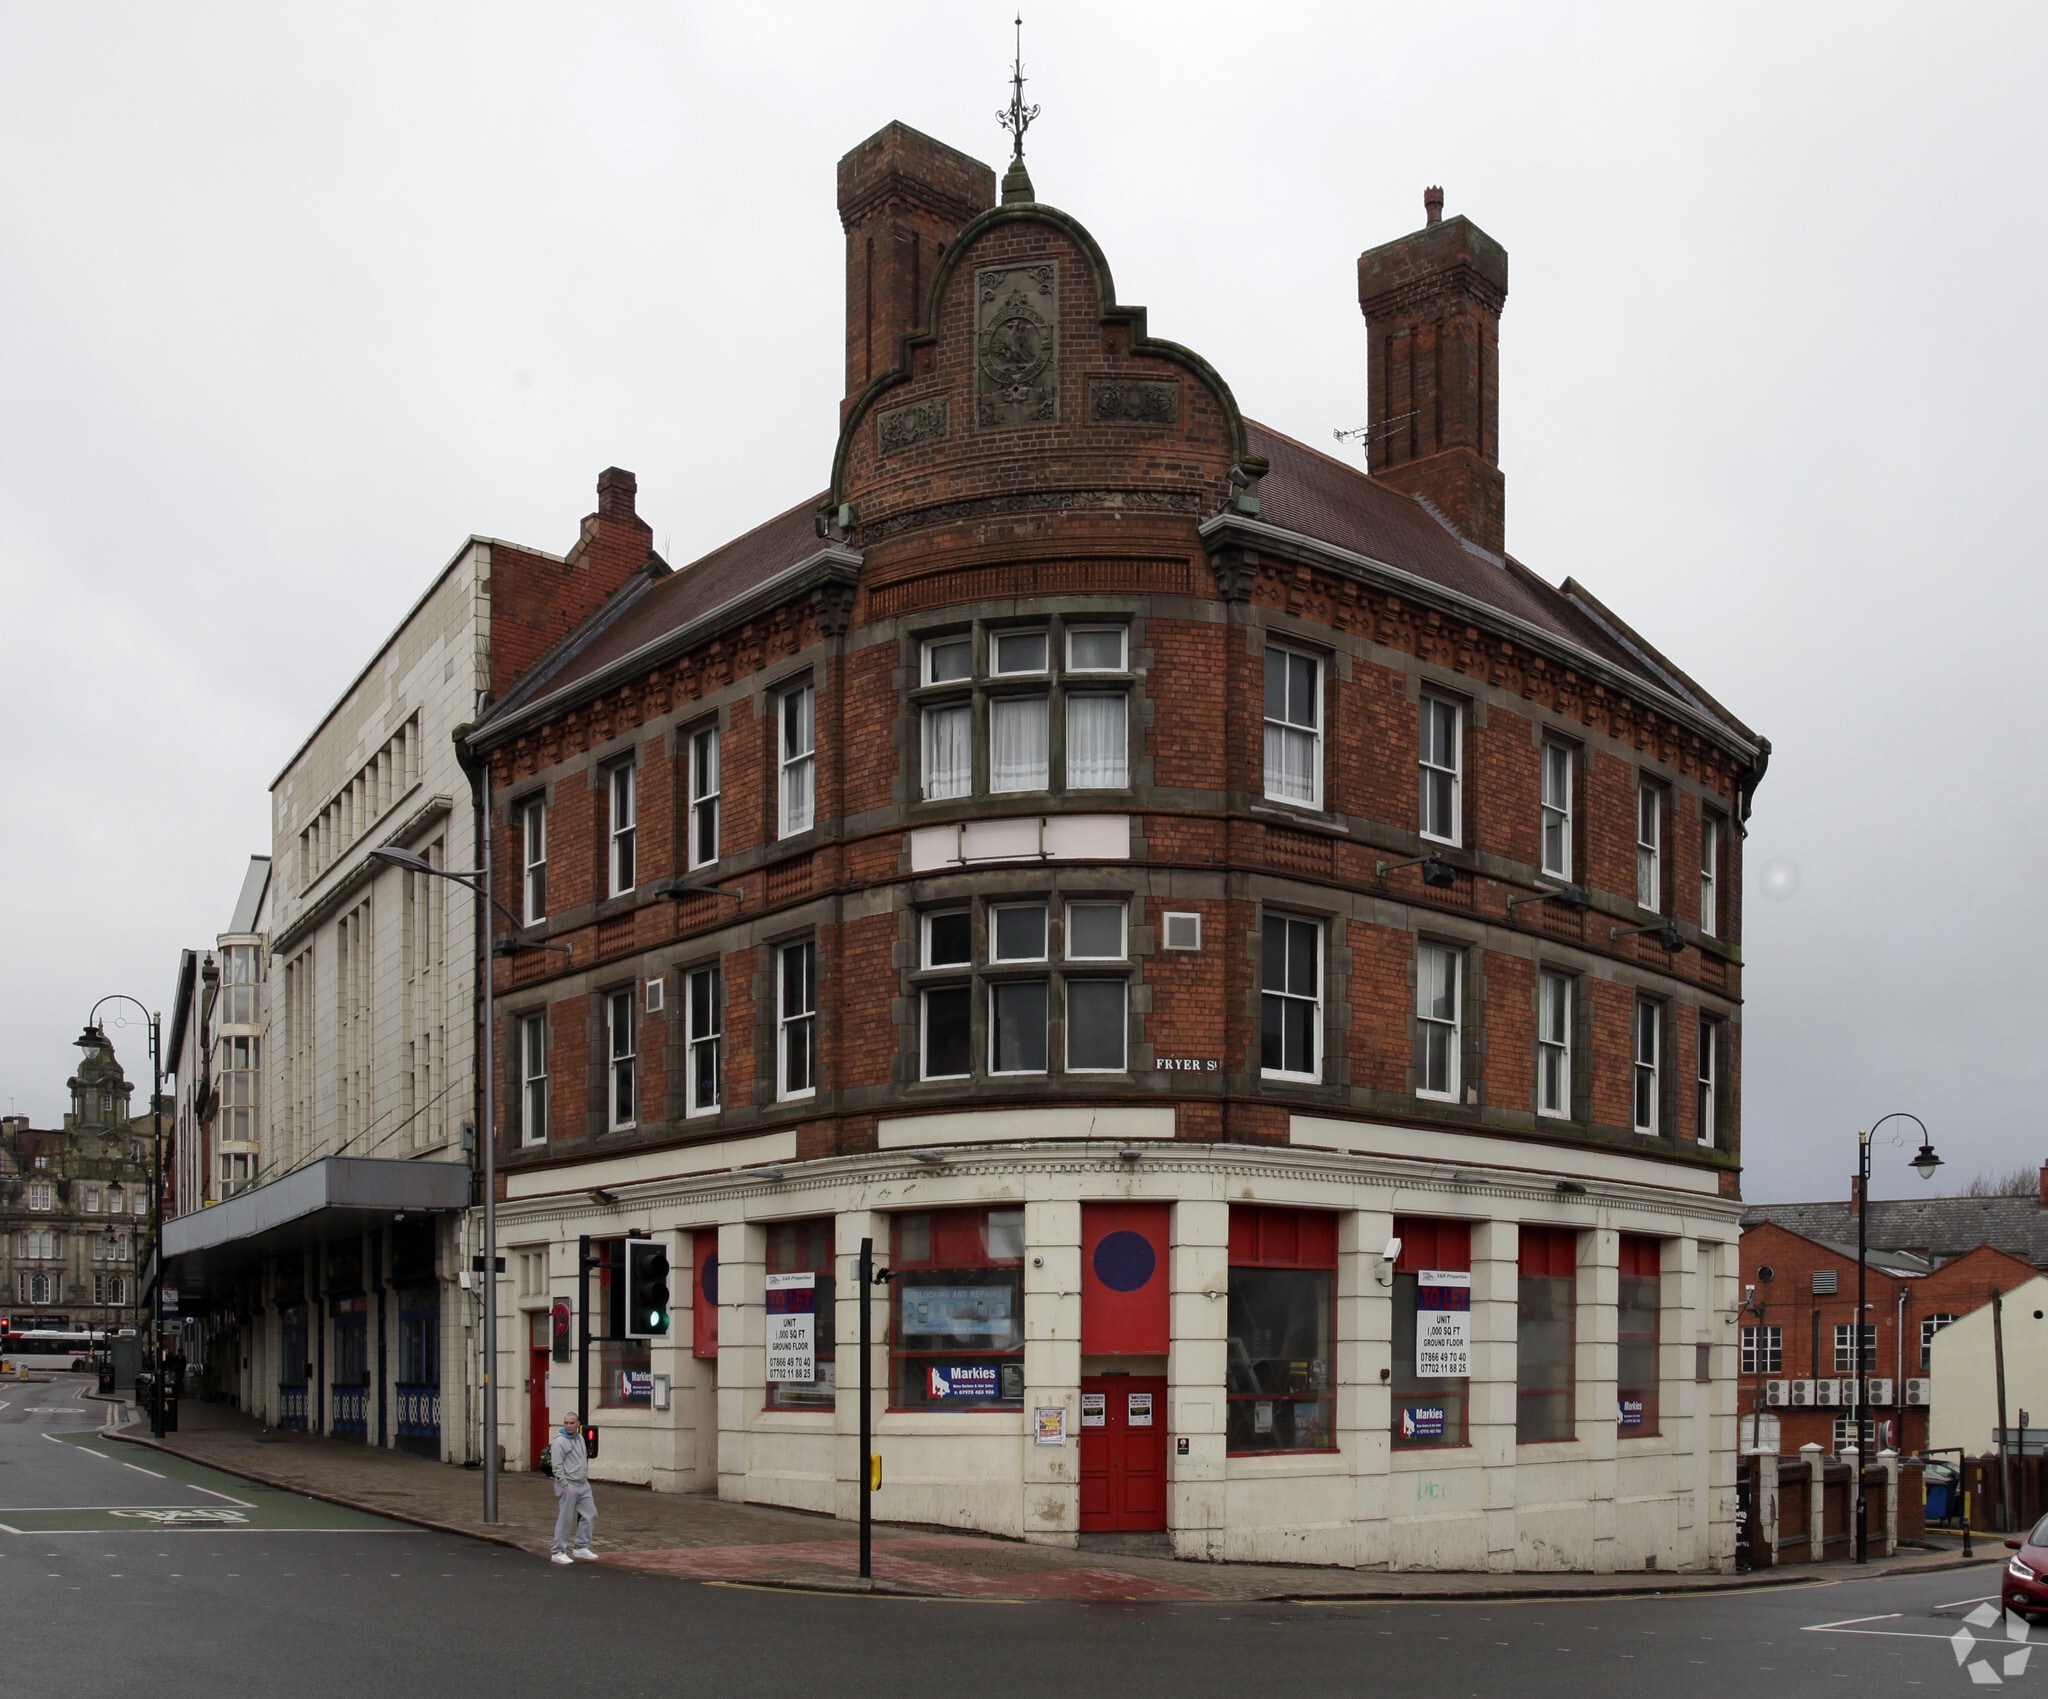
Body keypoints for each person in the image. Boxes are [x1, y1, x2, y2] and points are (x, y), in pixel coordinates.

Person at [548, 1412, 598, 1565]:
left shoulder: (580, 1438)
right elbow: (556, 1466)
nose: (568, 1426)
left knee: (591, 1514)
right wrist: (564, 1484)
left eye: (571, 1423)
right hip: (569, 1484)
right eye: (566, 1423)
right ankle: (558, 1551)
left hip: (582, 1483)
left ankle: (581, 1546)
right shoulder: (559, 1442)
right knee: (566, 1518)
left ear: (578, 1424)